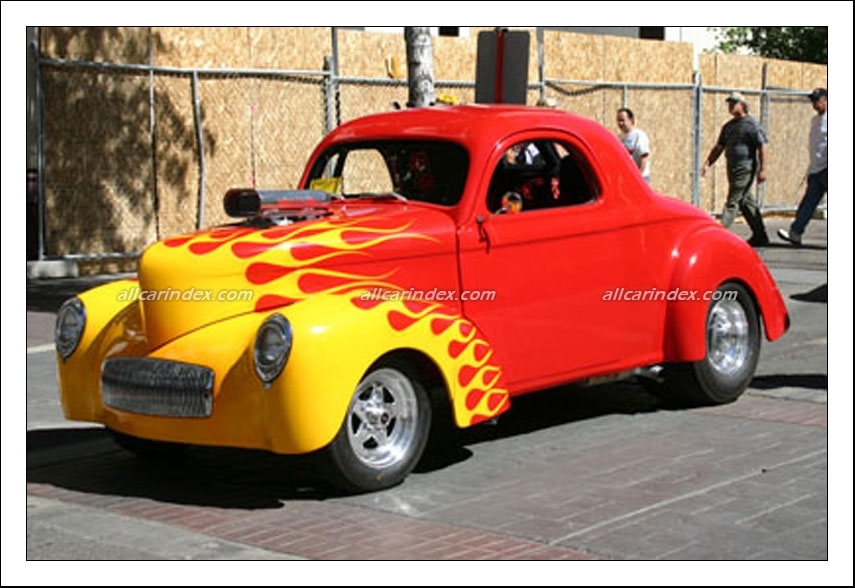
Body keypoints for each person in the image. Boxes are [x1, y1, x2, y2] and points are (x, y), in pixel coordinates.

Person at [702, 92, 770, 247]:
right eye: (729, 103)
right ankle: (760, 235)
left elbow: (762, 146)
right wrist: (708, 163)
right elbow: (719, 147)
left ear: (742, 105)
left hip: (745, 167)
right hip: (732, 166)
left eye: (734, 103)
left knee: (733, 200)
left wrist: (763, 169)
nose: (731, 106)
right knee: (746, 201)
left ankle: (717, 234)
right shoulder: (729, 126)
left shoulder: (751, 125)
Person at [778, 88, 828, 246]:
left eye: (817, 100)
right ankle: (795, 233)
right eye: (813, 101)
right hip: (816, 169)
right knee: (808, 203)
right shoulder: (815, 120)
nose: (815, 104)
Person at [616, 108, 651, 184]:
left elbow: (644, 158)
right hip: (627, 177)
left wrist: (639, 177)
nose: (620, 123)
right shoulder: (620, 137)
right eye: (618, 121)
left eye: (622, 120)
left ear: (631, 120)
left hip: (641, 178)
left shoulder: (639, 136)